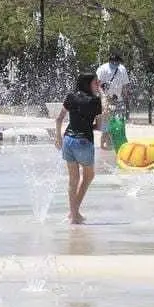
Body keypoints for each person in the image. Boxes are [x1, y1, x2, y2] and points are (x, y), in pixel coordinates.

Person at [55, 73, 103, 225]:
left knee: (73, 180)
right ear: (88, 84)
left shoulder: (70, 97)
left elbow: (59, 119)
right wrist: (102, 94)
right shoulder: (95, 101)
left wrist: (58, 137)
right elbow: (100, 126)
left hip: (68, 140)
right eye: (96, 83)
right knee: (88, 176)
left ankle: (74, 214)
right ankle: (73, 213)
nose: (97, 85)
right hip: (83, 141)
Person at [95, 52, 130, 149]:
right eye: (113, 62)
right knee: (107, 121)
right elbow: (97, 84)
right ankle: (104, 144)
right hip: (106, 99)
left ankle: (116, 141)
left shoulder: (122, 69)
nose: (115, 64)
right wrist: (103, 97)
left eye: (117, 63)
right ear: (110, 61)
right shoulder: (102, 69)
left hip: (118, 100)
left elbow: (125, 85)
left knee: (118, 121)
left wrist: (126, 96)